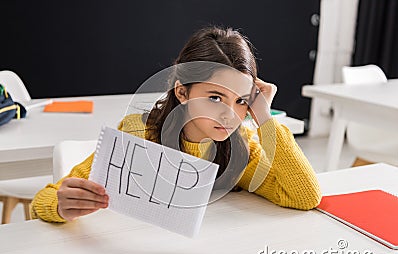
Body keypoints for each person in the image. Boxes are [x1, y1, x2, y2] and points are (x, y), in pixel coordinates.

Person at [31, 26, 321, 223]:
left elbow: (305, 196)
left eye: (242, 101)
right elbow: (41, 200)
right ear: (182, 92)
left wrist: (265, 118)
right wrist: (60, 205)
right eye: (215, 97)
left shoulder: (239, 146)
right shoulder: (139, 133)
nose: (231, 116)